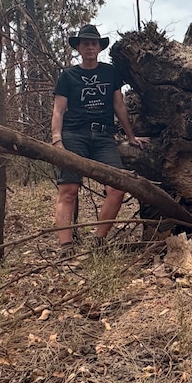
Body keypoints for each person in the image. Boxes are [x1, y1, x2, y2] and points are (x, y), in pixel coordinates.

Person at [50, 24, 149, 255]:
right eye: (85, 43)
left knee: (117, 188)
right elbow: (58, 110)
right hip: (74, 135)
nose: (90, 47)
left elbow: (119, 105)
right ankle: (66, 246)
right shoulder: (68, 75)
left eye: (94, 43)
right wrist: (57, 140)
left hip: (104, 136)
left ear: (99, 47)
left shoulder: (110, 73)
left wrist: (131, 136)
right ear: (79, 47)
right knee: (69, 190)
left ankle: (99, 242)